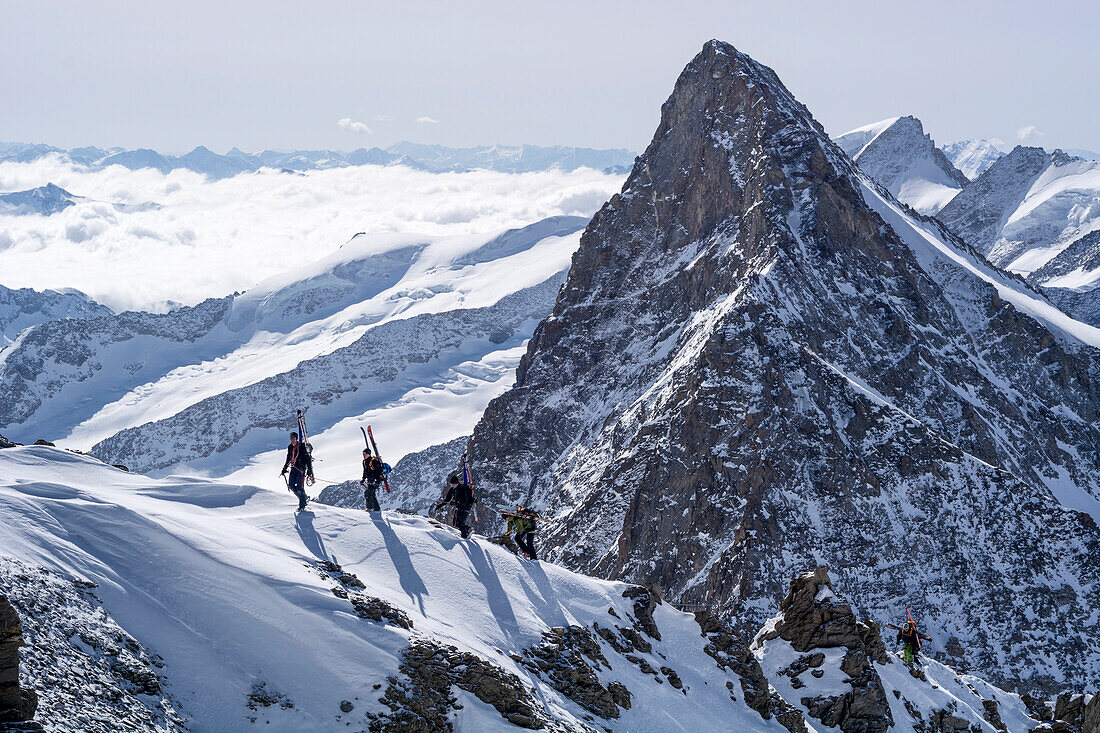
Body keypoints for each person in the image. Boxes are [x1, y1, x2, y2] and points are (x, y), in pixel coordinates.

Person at [280, 432, 314, 511]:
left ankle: (302, 506)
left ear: (296, 438)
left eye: (293, 439)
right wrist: (284, 468)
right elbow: (288, 458)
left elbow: (308, 459)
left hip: (301, 469)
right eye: (291, 439)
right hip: (293, 468)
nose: (292, 440)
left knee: (299, 488)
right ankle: (304, 498)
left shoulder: (302, 447)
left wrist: (309, 470)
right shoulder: (290, 447)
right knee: (291, 486)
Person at [436, 474, 475, 539]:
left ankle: (465, 538)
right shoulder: (452, 489)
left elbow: (465, 501)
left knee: (461, 523)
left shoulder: (462, 489)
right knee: (456, 523)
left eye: (453, 484)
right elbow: (447, 499)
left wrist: (455, 502)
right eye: (451, 484)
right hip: (459, 507)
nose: (452, 486)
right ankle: (469, 529)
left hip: (466, 507)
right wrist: (440, 505)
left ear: (457, 483)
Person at [360, 447, 386, 512]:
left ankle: (370, 508)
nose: (363, 455)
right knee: (372, 494)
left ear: (369, 454)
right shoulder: (364, 462)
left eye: (365, 454)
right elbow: (365, 471)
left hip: (375, 481)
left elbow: (378, 471)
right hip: (369, 481)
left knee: (368, 493)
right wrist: (363, 479)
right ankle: (377, 509)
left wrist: (377, 481)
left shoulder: (373, 461)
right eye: (363, 454)